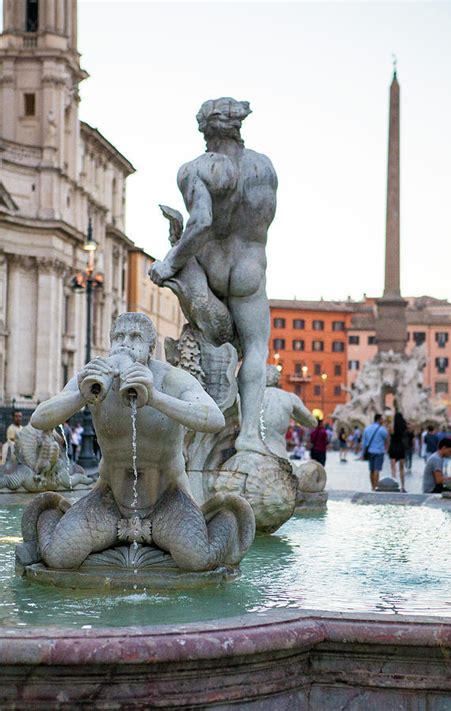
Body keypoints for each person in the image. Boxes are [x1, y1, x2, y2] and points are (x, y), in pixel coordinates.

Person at [29, 313, 255, 572]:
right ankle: (52, 516)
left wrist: (155, 397)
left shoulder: (171, 379)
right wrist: (80, 395)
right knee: (59, 557)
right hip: (110, 499)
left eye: (135, 337)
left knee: (196, 560)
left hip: (166, 499)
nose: (125, 343)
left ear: (150, 348)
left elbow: (214, 419)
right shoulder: (93, 376)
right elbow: (39, 419)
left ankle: (222, 520)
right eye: (119, 337)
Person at [149, 97, 277, 457]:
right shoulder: (264, 168)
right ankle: (249, 434)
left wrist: (170, 262)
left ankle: (199, 431)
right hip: (251, 266)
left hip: (212, 265)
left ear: (203, 128)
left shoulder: (195, 169)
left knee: (204, 341)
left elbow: (202, 223)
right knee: (255, 349)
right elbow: (263, 221)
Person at [362, 414, 389, 491]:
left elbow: (364, 442)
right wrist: (386, 448)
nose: (383, 421)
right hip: (379, 452)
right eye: (382, 419)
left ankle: (372, 487)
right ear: (378, 420)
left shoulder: (367, 429)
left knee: (371, 470)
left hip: (370, 451)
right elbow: (387, 439)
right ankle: (376, 487)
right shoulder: (382, 429)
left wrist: (362, 454)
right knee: (377, 469)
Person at [389, 412, 408, 492]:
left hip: (393, 447)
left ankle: (394, 485)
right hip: (401, 447)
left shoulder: (392, 427)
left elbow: (389, 435)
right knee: (401, 469)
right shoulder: (404, 426)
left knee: (393, 468)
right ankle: (402, 486)